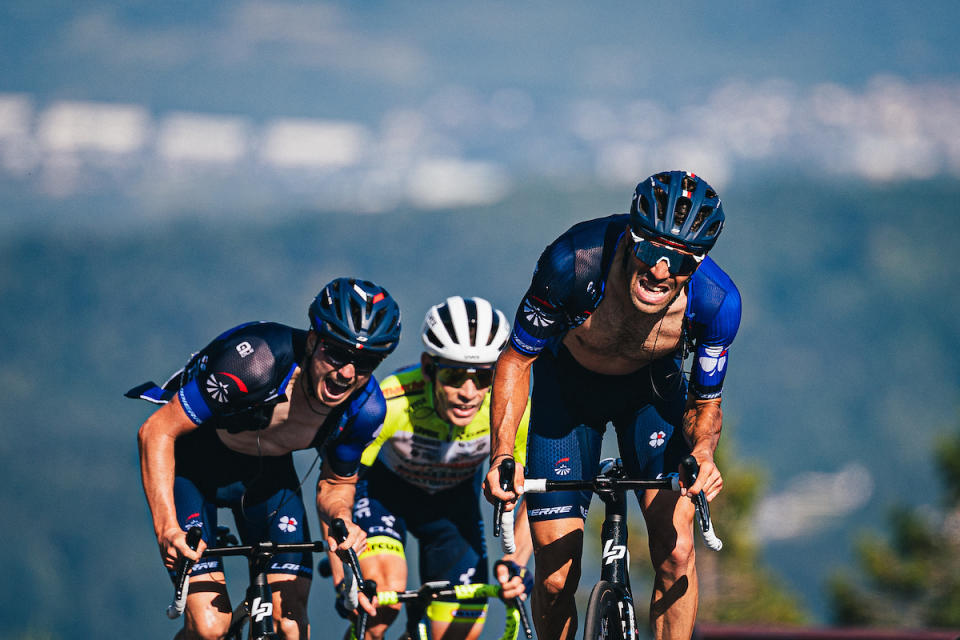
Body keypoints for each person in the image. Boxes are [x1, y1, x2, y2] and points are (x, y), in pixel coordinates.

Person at [483, 171, 742, 640]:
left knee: (677, 550)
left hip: (651, 395)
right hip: (568, 394)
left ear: (699, 262)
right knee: (557, 576)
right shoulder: (574, 261)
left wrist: (702, 454)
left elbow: (706, 404)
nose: (661, 270)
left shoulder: (716, 302)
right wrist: (503, 451)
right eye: (650, 249)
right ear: (630, 235)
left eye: (681, 260)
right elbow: (517, 359)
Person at [130, 277, 401, 640]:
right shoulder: (257, 363)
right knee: (210, 628)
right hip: (194, 467)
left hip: (268, 476)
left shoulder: (365, 409)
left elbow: (336, 484)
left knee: (291, 624)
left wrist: (341, 518)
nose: (347, 373)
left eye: (366, 362)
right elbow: (156, 431)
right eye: (336, 353)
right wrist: (167, 529)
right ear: (312, 340)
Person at [349, 296, 533, 640]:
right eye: (454, 376)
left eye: (483, 378)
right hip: (383, 499)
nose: (468, 392)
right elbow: (339, 479)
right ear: (429, 368)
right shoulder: (392, 400)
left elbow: (533, 494)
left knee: (460, 633)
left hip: (453, 508)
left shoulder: (509, 409)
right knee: (381, 607)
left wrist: (518, 561)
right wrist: (346, 566)